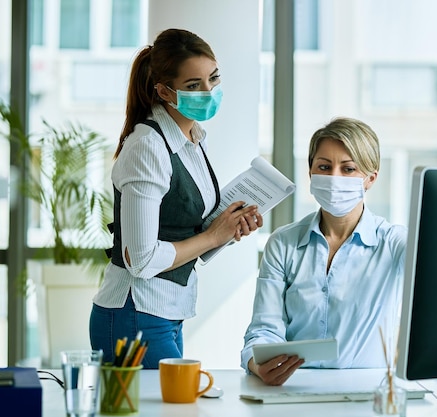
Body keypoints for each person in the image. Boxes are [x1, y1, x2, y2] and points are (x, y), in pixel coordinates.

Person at [90, 28, 262, 369]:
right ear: (165, 91)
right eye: (194, 85)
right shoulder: (148, 147)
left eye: (213, 79)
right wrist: (212, 236)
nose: (209, 92)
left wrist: (227, 228)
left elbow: (183, 229)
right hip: (135, 312)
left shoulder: (194, 137)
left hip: (168, 311)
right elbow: (140, 259)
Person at [240, 117, 407, 385]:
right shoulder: (283, 242)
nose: (334, 178)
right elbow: (263, 329)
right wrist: (257, 365)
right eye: (324, 167)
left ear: (370, 179)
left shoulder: (394, 242)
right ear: (310, 173)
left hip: (366, 393)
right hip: (294, 389)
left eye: (349, 169)